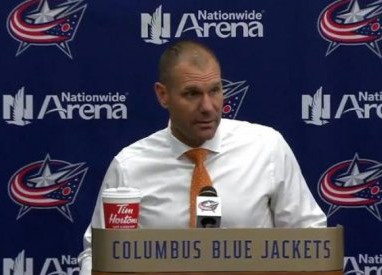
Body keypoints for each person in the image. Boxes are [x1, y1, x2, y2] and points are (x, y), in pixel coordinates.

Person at [77, 40, 326, 274]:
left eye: (215, 90)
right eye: (192, 94)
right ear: (163, 95)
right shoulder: (130, 167)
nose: (208, 107)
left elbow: (310, 236)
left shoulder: (266, 147)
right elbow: (98, 254)